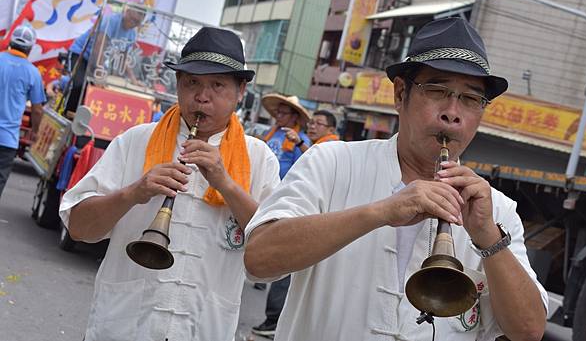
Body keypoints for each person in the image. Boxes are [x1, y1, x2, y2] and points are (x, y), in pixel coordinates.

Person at [244, 18, 548, 341]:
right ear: (400, 94)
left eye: (471, 99)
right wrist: (380, 212)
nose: (452, 113)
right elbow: (258, 259)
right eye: (437, 90)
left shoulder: (496, 211)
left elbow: (529, 331)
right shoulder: (332, 162)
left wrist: (489, 239)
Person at [59, 27, 280, 341]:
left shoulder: (260, 159)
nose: (202, 97)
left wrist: (226, 184)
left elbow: (273, 258)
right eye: (192, 83)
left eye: (217, 85)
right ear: (177, 84)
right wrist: (135, 192)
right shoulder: (136, 141)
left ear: (240, 91)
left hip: (202, 330)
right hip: (122, 328)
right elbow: (79, 228)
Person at [251, 94, 311, 338]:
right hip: (263, 193)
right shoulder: (271, 134)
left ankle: (273, 315)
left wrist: (298, 143)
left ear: (295, 117)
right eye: (279, 112)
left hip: (284, 200)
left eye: (285, 113)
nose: (279, 116)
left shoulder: (301, 140)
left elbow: (307, 166)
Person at [64, 4, 145, 114]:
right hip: (81, 54)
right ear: (127, 12)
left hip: (97, 61)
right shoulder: (111, 21)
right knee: (79, 83)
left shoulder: (131, 34)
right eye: (132, 19)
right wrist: (100, 72)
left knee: (98, 90)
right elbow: (99, 47)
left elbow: (123, 57)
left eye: (137, 22)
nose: (133, 24)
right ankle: (67, 114)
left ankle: (82, 119)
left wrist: (133, 79)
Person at [0, 25, 46, 200]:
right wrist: (35, 132)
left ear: (11, 41)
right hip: (7, 141)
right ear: (31, 47)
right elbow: (37, 109)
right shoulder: (32, 72)